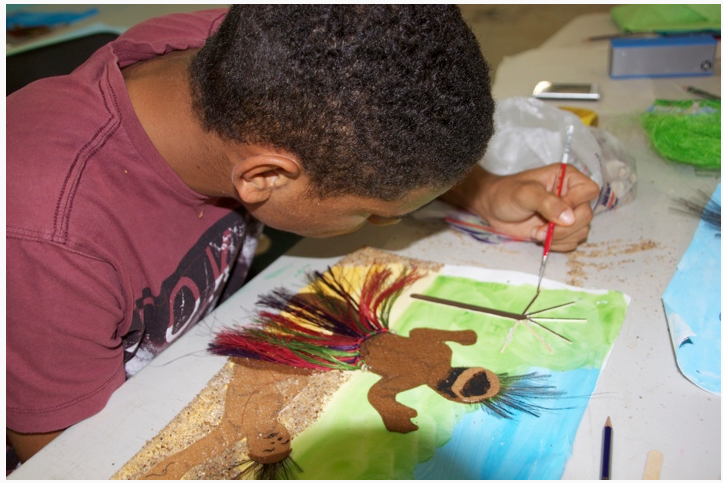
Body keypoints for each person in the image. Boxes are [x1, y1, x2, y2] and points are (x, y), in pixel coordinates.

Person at [6, 5, 598, 463]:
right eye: (374, 214)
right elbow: (70, 461)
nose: (387, 226)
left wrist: (484, 189)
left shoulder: (267, 52)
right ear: (265, 177)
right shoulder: (44, 242)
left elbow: (381, 126)